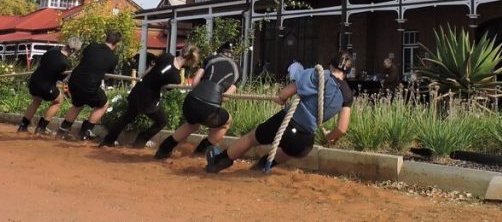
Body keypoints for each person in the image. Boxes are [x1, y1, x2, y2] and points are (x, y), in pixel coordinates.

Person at [206, 52, 354, 174]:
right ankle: (261, 166)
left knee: (252, 137)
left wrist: (281, 99)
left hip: (287, 122)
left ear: (331, 64)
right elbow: (342, 128)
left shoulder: (318, 74)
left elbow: (285, 94)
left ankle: (218, 163)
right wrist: (329, 136)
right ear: (347, 73)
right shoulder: (347, 94)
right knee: (291, 150)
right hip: (304, 140)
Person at [100, 44, 201, 148]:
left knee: (127, 117)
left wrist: (141, 79)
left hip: (138, 89)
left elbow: (150, 69)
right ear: (190, 60)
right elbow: (164, 89)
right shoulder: (176, 78)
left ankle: (108, 140)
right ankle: (140, 141)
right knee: (162, 121)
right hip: (149, 98)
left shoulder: (166, 56)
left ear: (181, 51)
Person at [155, 42, 241, 159]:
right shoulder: (237, 70)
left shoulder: (210, 59)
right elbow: (225, 97)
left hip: (191, 102)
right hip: (209, 107)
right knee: (226, 122)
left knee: (192, 124)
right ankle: (199, 152)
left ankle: (164, 149)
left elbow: (195, 83)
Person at [58, 30, 121, 141]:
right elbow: (106, 76)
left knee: (77, 105)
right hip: (89, 85)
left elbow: (85, 58)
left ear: (106, 38)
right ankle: (84, 132)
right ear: (117, 43)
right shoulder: (113, 58)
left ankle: (62, 131)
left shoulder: (92, 46)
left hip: (74, 80)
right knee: (103, 104)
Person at [17, 37, 81, 134]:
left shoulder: (51, 51)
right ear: (73, 51)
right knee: (59, 101)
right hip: (45, 85)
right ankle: (41, 128)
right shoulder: (66, 63)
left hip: (34, 81)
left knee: (36, 102)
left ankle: (23, 126)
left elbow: (41, 63)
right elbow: (60, 79)